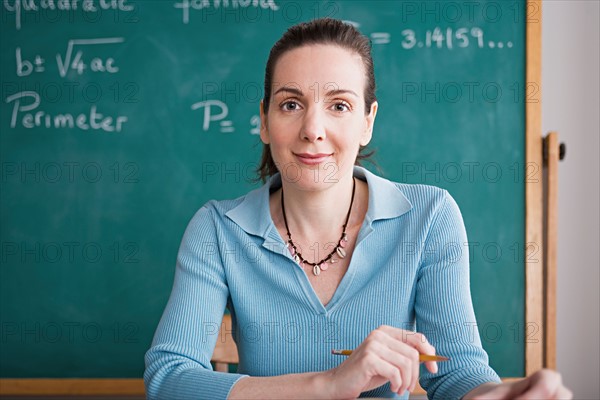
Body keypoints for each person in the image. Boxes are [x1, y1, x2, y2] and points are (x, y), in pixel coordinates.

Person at [144, 18, 572, 400]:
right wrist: (328, 385)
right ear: (264, 120)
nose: (313, 130)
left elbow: (458, 374)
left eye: (339, 106)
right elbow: (168, 380)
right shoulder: (217, 229)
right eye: (291, 104)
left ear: (368, 121)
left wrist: (499, 395)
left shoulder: (430, 216)